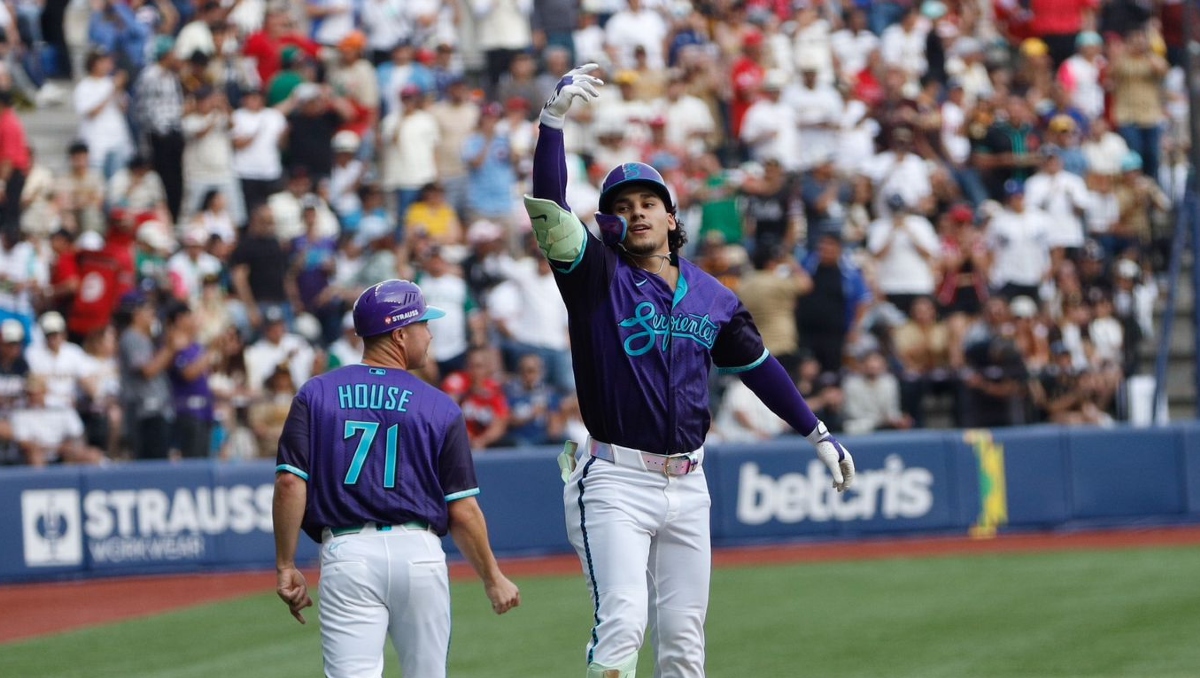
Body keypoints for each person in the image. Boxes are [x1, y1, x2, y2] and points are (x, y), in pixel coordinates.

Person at [523, 64, 855, 678]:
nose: (639, 212)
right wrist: (553, 124)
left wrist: (817, 431)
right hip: (616, 480)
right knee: (622, 624)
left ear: (673, 218)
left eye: (651, 202)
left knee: (684, 645)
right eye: (624, 206)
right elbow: (549, 205)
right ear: (610, 223)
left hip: (689, 482)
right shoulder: (595, 277)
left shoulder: (713, 296)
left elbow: (758, 367)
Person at [272, 278, 520, 678]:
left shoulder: (316, 393)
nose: (430, 333)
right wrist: (493, 577)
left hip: (347, 552)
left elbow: (289, 484)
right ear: (400, 333)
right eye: (423, 323)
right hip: (419, 552)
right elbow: (463, 508)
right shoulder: (439, 405)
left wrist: (285, 564)